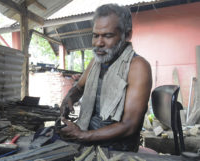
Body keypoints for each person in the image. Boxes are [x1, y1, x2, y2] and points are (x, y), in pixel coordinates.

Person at [59, 4, 152, 152]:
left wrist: (83, 135)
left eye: (107, 36)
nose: (98, 43)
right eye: (96, 35)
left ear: (127, 35)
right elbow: (78, 87)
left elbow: (129, 125)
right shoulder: (96, 62)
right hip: (86, 137)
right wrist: (69, 98)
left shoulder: (138, 67)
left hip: (118, 148)